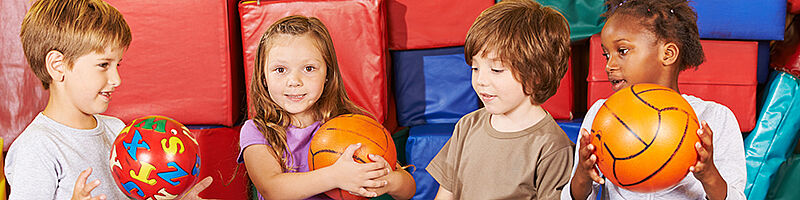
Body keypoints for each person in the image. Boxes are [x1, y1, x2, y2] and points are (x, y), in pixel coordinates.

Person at [5, 0, 212, 199]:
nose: (117, 79)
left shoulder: (118, 131)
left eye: (117, 65)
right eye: (104, 65)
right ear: (58, 65)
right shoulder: (37, 147)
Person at [561, 0, 746, 199]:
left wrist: (708, 175)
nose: (609, 65)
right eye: (607, 55)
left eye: (622, 51)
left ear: (668, 54)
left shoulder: (715, 118)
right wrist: (582, 174)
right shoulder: (602, 114)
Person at [238, 15, 415, 200]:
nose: (294, 82)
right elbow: (273, 189)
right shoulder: (257, 131)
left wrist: (389, 180)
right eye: (280, 70)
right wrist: (335, 176)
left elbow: (408, 188)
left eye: (309, 68)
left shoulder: (348, 124)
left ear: (328, 74)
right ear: (264, 78)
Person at [426, 0, 574, 199]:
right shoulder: (467, 126)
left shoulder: (552, 147)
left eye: (496, 70)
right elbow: (446, 195)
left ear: (535, 76)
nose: (481, 80)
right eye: (475, 68)